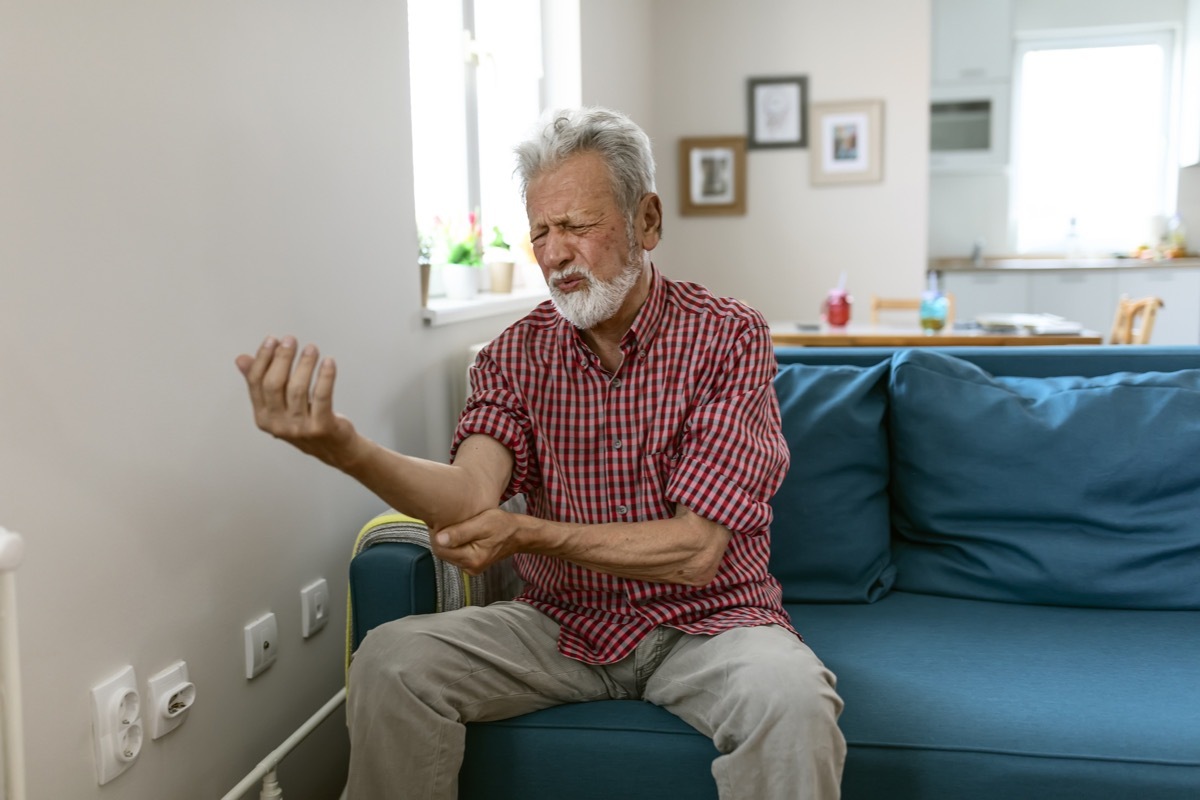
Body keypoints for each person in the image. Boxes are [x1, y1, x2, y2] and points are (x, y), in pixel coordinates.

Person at [235, 106, 845, 799]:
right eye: (540, 234)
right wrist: (346, 449)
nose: (556, 254)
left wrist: (524, 531)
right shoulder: (511, 357)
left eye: (578, 227)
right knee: (390, 658)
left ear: (647, 221)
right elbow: (470, 496)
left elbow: (696, 549)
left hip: (710, 624)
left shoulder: (729, 336)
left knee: (794, 702)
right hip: (562, 625)